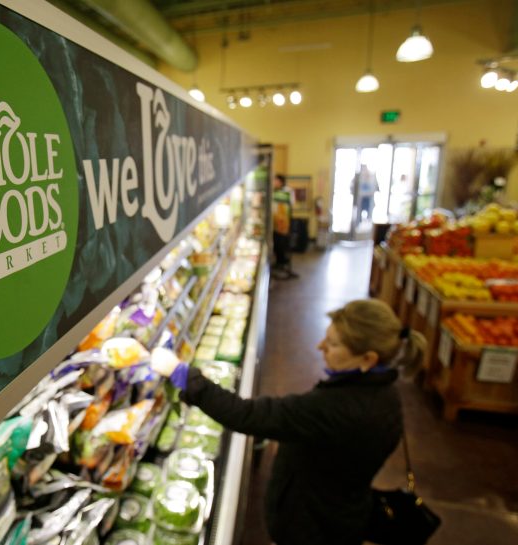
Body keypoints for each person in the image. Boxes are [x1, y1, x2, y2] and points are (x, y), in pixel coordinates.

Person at [151, 299, 427, 545]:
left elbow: (249, 415)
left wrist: (184, 376)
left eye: (332, 344)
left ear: (368, 359)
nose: (320, 347)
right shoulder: (385, 391)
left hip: (309, 524)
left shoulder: (337, 408)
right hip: (346, 510)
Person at [272, 174, 298, 279]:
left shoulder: (288, 191)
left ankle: (283, 263)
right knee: (276, 242)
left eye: (276, 181)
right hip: (275, 222)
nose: (274, 182)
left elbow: (292, 203)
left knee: (282, 243)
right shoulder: (273, 191)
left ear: (281, 182)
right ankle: (278, 262)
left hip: (283, 222)